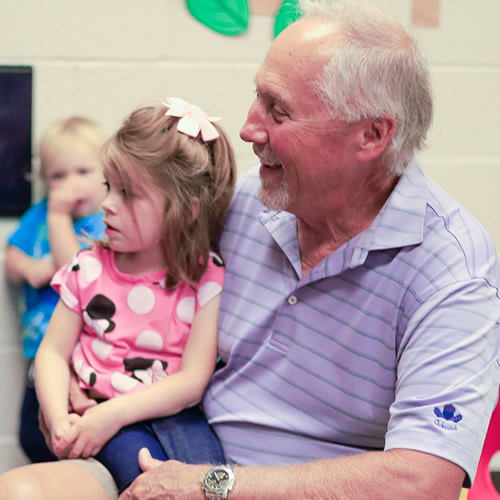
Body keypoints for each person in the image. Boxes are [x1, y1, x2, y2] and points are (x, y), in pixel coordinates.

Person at [0, 1, 499, 499]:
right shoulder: (245, 206)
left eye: (277, 110)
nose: (247, 128)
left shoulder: (452, 270)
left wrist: (216, 485)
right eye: (256, 98)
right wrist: (67, 378)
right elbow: (124, 273)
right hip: (169, 449)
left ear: (371, 134)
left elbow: (423, 481)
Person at [35, 98, 235, 495]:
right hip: (98, 410)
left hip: (174, 415)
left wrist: (114, 414)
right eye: (111, 188)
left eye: (129, 194)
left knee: (209, 484)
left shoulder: (205, 276)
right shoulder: (88, 268)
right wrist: (60, 418)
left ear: (186, 210)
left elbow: (193, 380)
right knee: (145, 481)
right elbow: (52, 353)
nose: (107, 205)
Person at [4, 116, 109, 463]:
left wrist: (59, 216)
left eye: (82, 172)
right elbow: (11, 254)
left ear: (106, 174)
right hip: (39, 351)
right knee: (30, 435)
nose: (70, 185)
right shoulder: (38, 214)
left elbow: (73, 269)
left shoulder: (102, 223)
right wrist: (28, 268)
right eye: (58, 176)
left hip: (81, 354)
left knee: (68, 431)